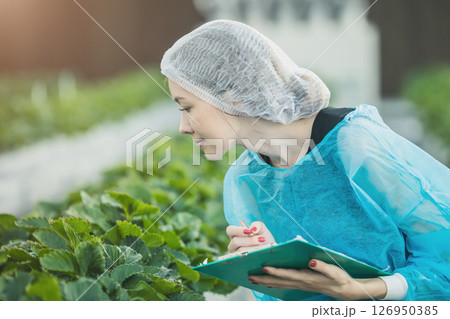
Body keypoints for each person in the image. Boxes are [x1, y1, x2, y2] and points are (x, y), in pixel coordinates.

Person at [160, 19, 450, 301]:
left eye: (187, 107)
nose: (183, 127)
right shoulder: (244, 180)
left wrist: (365, 289)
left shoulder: (353, 146)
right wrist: (274, 261)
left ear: (233, 95)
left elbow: (442, 264)